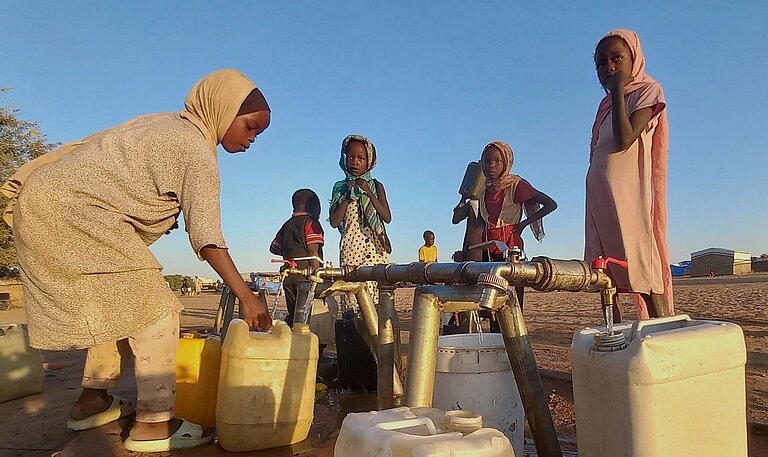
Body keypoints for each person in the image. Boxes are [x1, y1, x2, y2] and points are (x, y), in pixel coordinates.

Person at [1, 68, 273, 452]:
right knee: (157, 312)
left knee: (119, 306)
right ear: (223, 108)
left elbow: (98, 155)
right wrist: (246, 295)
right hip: (77, 214)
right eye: (249, 127)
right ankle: (154, 424)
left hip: (44, 204)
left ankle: (92, 400)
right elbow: (208, 238)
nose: (251, 140)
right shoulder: (195, 147)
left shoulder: (162, 124)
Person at [584, 29, 674, 321]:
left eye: (616, 58)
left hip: (628, 194)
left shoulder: (648, 91)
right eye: (600, 63)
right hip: (601, 196)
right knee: (604, 271)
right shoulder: (604, 106)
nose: (608, 66)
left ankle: (662, 333)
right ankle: (616, 336)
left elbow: (625, 138)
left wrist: (620, 90)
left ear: (633, 58)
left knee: (642, 267)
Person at [479, 141, 557, 310]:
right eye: (486, 161)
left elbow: (550, 204)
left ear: (506, 163)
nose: (491, 165)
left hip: (510, 248)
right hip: (487, 250)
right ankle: (495, 335)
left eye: (497, 161)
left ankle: (513, 335)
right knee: (491, 301)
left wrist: (523, 224)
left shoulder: (516, 185)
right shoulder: (483, 190)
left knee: (511, 302)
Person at [329, 134, 391, 303]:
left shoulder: (376, 186)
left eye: (360, 158)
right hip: (351, 250)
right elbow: (334, 222)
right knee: (354, 299)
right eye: (350, 157)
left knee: (379, 300)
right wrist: (348, 197)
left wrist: (368, 192)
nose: (355, 161)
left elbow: (386, 217)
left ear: (369, 161)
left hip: (376, 249)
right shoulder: (340, 187)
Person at [269, 188, 324, 327]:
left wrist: (289, 255)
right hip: (306, 277)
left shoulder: (286, 225)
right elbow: (313, 252)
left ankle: (292, 339)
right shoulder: (311, 223)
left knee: (294, 312)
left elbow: (273, 248)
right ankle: (309, 345)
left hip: (289, 276)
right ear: (311, 206)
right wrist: (317, 275)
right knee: (307, 316)